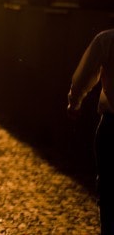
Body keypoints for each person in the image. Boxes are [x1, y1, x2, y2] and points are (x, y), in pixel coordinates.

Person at [67, 29, 114, 235]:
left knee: (109, 190)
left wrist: (74, 103)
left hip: (113, 126)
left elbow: (84, 75)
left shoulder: (107, 40)